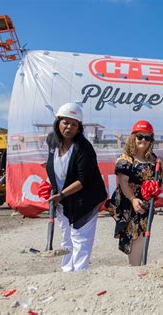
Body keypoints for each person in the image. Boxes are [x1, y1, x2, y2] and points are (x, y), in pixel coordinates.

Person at [45, 102, 107, 272]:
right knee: (66, 237)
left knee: (80, 237)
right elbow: (54, 165)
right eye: (66, 122)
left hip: (84, 198)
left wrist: (61, 195)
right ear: (58, 122)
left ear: (79, 128)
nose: (69, 127)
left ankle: (80, 273)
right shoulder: (52, 141)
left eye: (74, 124)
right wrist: (51, 182)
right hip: (63, 198)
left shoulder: (83, 147)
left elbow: (83, 180)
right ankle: (67, 271)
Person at [106, 120, 163, 266]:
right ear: (133, 137)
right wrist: (133, 199)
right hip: (130, 203)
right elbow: (123, 182)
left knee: (141, 235)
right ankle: (136, 269)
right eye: (140, 136)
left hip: (145, 205)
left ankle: (139, 267)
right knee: (134, 236)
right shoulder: (126, 159)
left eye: (148, 138)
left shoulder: (153, 158)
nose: (143, 140)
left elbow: (162, 179)